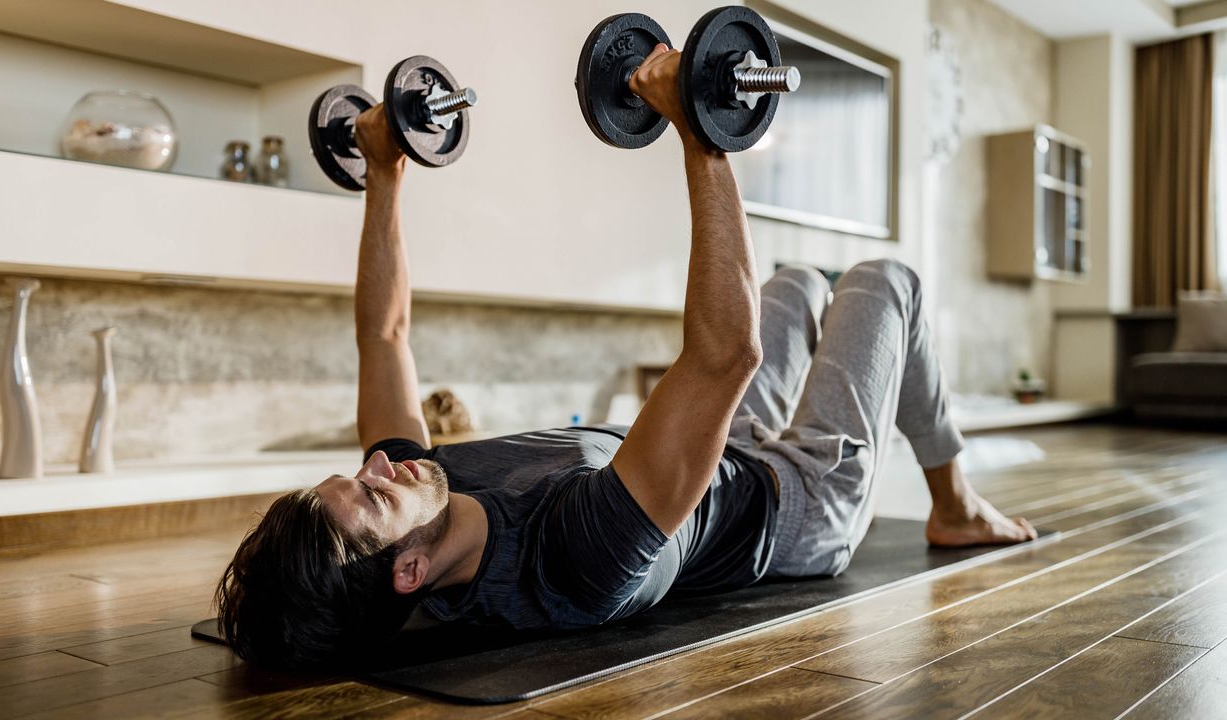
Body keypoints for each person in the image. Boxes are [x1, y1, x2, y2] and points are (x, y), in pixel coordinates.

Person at [215, 44, 1036, 669]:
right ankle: (956, 506)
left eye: (355, 475)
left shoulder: (418, 506)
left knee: (790, 284)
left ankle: (943, 487)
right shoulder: (572, 559)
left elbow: (383, 335)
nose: (376, 466)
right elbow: (725, 355)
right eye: (370, 495)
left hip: (731, 453)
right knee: (882, 281)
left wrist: (386, 175)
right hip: (799, 503)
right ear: (410, 572)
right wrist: (700, 129)